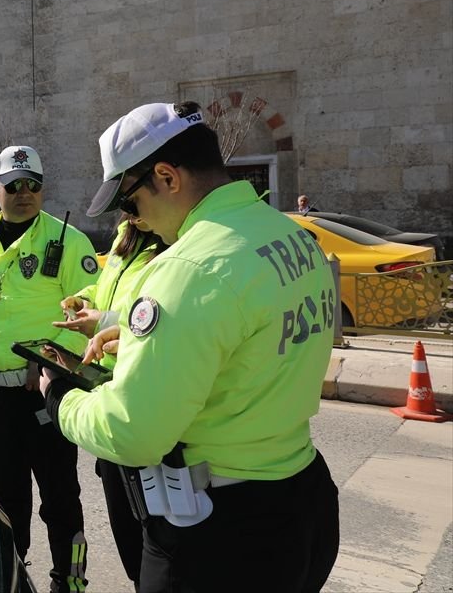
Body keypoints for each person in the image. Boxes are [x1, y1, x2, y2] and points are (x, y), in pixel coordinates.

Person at [42, 102, 340, 593]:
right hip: (301, 497)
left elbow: (133, 434)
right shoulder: (290, 236)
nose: (131, 218)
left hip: (221, 535)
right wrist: (138, 332)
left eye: (129, 202)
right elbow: (249, 337)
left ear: (166, 176)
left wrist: (60, 397)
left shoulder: (189, 267)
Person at [0, 145, 101, 593]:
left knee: (60, 498)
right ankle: (13, 577)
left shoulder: (66, 240)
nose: (24, 193)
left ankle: (70, 580)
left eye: (33, 185)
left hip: (46, 392)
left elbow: (90, 306)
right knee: (7, 501)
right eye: (14, 186)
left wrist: (47, 358)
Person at [54, 214, 167, 590]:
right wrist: (87, 301)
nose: (131, 210)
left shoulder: (177, 242)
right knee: (133, 549)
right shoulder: (127, 234)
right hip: (110, 391)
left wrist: (106, 320)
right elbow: (109, 288)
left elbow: (166, 319)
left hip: (147, 400)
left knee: (160, 554)